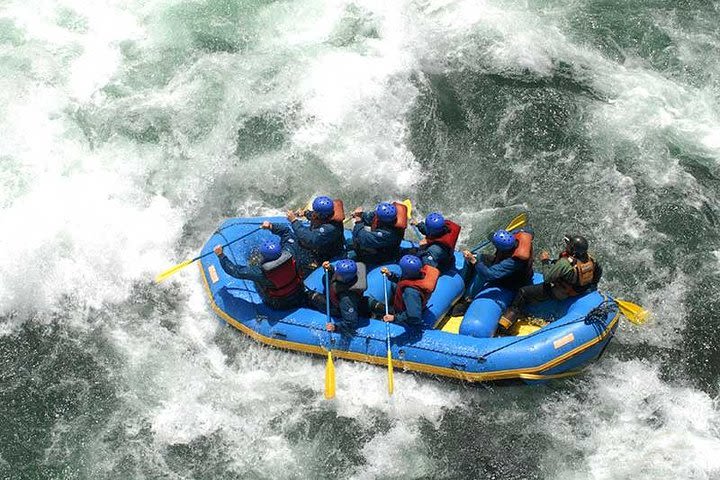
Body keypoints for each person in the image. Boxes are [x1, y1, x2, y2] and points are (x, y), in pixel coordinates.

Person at [499, 234, 603, 329]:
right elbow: (598, 272)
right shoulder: (591, 260)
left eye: (569, 246)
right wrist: (591, 286)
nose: (566, 246)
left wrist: (545, 261)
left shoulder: (564, 263)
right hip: (577, 290)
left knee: (523, 292)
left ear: (573, 250)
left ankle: (508, 320)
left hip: (560, 292)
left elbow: (547, 279)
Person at [213, 221, 306, 310]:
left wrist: (221, 256)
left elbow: (235, 271)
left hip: (280, 303)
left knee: (256, 280)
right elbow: (287, 232)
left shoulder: (261, 272)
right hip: (300, 292)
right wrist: (271, 226)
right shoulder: (290, 253)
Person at [308, 259, 368, 335]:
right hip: (335, 293)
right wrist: (330, 268)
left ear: (344, 278)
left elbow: (351, 322)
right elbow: (338, 273)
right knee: (326, 279)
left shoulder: (346, 299)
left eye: (337, 273)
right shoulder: (348, 276)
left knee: (314, 297)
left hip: (337, 308)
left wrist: (336, 327)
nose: (335, 273)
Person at [381, 255, 440, 329]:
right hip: (411, 303)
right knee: (395, 285)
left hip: (404, 313)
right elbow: (404, 280)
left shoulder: (410, 292)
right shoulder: (418, 275)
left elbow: (414, 317)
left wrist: (394, 318)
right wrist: (391, 275)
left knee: (370, 303)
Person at [286, 196, 346, 267]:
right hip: (322, 245)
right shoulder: (326, 215)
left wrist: (294, 221)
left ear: (322, 214)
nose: (314, 212)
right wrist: (305, 213)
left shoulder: (331, 228)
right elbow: (315, 216)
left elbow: (311, 239)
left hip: (328, 253)